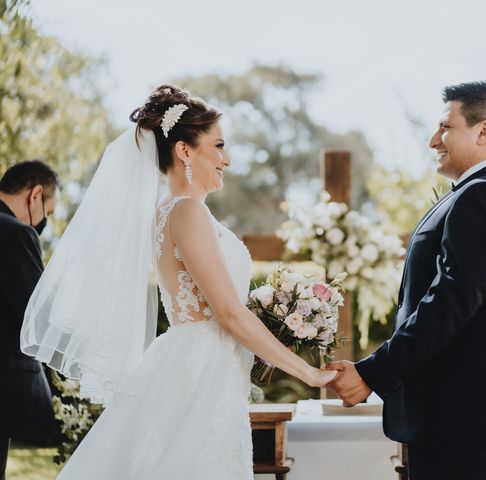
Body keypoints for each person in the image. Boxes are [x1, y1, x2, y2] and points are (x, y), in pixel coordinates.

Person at [20, 85, 336, 479]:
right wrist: (308, 373)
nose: (227, 159)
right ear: (184, 150)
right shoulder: (187, 212)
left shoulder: (175, 211)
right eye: (218, 146)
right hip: (199, 374)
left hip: (205, 368)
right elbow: (228, 314)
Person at [327, 80, 486, 480]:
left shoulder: (483, 196)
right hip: (471, 410)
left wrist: (372, 372)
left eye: (445, 128)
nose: (433, 140)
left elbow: (449, 303)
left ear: (484, 130)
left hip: (460, 413)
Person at [0, 160, 60, 480]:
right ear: (35, 195)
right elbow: (36, 318)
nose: (42, 223)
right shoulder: (17, 233)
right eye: (47, 213)